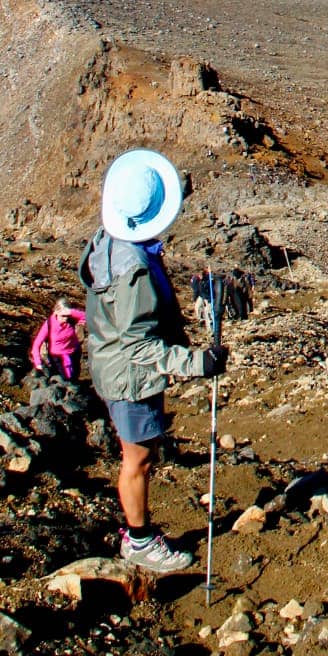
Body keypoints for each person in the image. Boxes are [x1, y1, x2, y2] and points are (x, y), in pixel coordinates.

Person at [79, 149, 228, 574]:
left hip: (115, 368)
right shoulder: (134, 271)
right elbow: (139, 345)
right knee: (138, 459)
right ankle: (140, 542)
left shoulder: (110, 244)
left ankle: (137, 534)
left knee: (139, 453)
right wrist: (197, 363)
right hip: (130, 378)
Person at [31, 297, 87, 380]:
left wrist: (70, 312)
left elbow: (87, 316)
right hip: (58, 356)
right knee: (66, 379)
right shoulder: (49, 324)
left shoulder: (71, 319)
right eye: (63, 316)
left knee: (75, 376)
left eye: (67, 315)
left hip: (74, 352)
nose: (65, 318)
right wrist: (38, 362)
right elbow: (37, 344)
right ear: (56, 312)